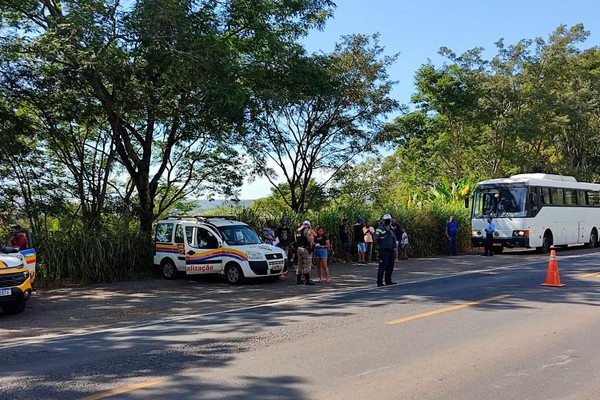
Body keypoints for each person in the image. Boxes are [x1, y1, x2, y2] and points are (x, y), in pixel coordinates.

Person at [374, 214, 397, 286]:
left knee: (390, 266)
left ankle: (388, 280)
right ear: (383, 220)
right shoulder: (380, 228)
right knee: (382, 266)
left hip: (391, 250)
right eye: (387, 220)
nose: (388, 221)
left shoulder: (391, 229)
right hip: (383, 250)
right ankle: (379, 282)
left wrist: (394, 249)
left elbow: (393, 239)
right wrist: (377, 246)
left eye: (389, 220)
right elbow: (375, 238)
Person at [294, 220, 315, 285]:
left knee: (299, 264)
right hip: (305, 249)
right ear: (308, 225)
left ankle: (298, 280)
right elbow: (309, 240)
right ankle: (307, 281)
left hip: (299, 248)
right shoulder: (306, 230)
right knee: (307, 264)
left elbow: (295, 240)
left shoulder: (297, 230)